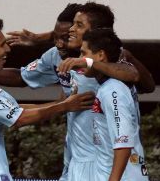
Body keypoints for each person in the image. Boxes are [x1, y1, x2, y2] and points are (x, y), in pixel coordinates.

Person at [0, 2, 154, 180]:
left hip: (113, 160)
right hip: (78, 160)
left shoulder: (112, 62)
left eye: (77, 25)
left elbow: (140, 80)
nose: (71, 30)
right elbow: (21, 77)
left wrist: (91, 61)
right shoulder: (58, 56)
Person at [0, 18, 95, 181]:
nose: (7, 49)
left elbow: (14, 108)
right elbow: (19, 118)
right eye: (2, 44)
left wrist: (65, 103)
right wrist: (65, 107)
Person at [61, 29, 149, 180]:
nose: (80, 59)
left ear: (100, 56)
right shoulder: (106, 88)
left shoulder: (113, 89)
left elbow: (123, 142)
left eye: (84, 53)